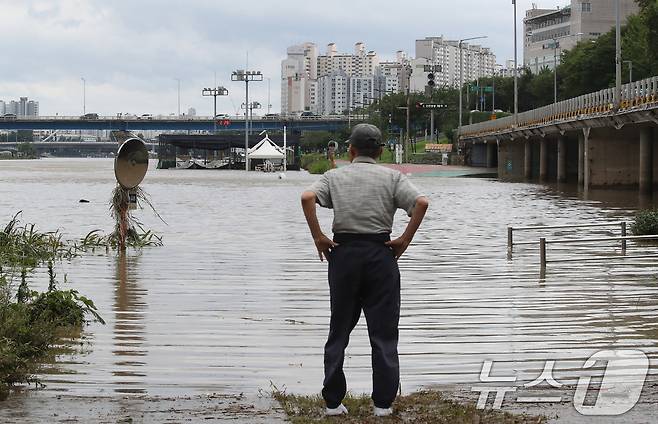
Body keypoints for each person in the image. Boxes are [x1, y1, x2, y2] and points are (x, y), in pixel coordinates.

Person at [300, 123, 429, 417]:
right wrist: (404, 240)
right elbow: (421, 203)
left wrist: (319, 237)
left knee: (339, 330)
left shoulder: (334, 176)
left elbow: (308, 198)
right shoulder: (393, 177)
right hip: (380, 254)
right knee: (383, 332)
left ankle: (333, 402)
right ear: (381, 151)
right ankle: (382, 404)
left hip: (343, 255)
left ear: (351, 150)